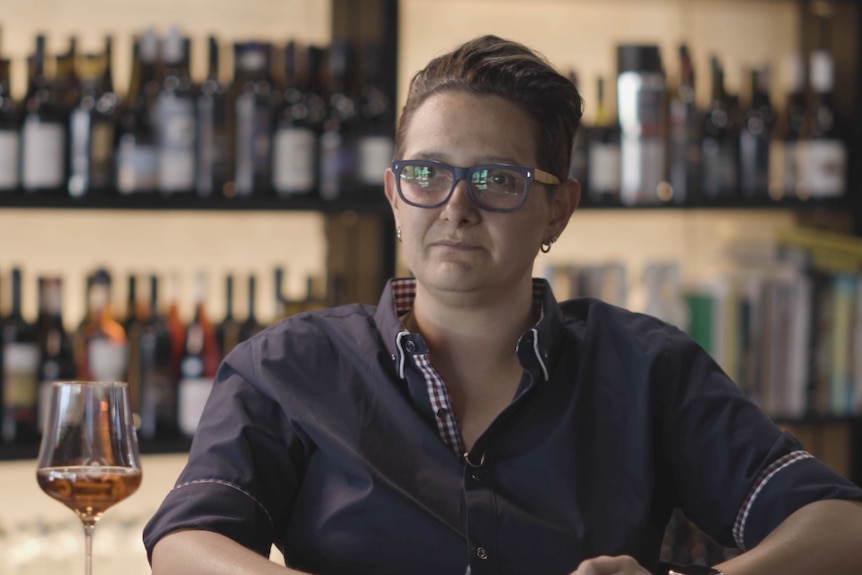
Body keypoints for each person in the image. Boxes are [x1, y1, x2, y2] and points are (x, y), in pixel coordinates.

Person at [144, 35, 862, 575]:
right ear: (395, 196)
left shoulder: (648, 368)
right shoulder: (288, 365)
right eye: (426, 174)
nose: (455, 207)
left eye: (497, 178)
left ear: (558, 209)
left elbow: (840, 524)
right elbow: (184, 539)